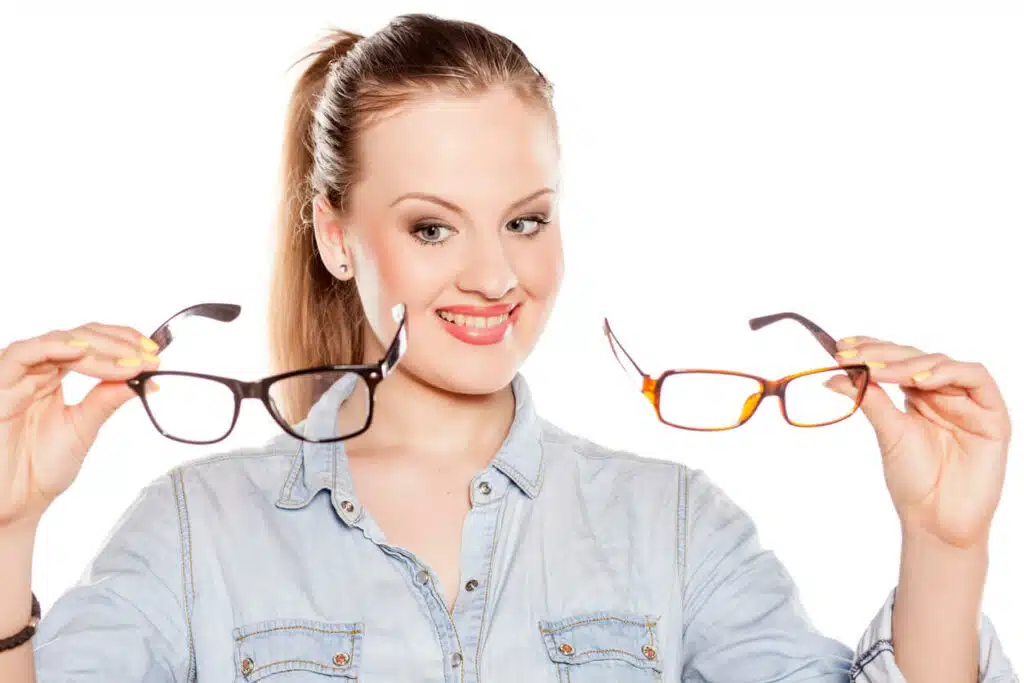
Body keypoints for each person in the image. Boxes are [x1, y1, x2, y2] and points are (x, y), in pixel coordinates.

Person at [0, 13, 1016, 683]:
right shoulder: (192, 532)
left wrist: (945, 544)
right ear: (337, 234)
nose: (495, 275)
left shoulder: (671, 525)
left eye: (525, 220)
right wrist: (5, 531)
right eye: (433, 227)